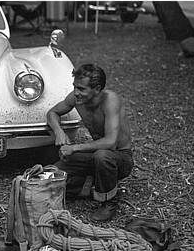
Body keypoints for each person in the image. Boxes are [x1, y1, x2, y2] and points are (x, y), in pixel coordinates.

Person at [46, 63, 134, 222]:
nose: (76, 93)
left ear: (97, 89)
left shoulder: (110, 100)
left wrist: (74, 148)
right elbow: (52, 113)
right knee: (56, 170)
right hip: (96, 155)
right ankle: (87, 186)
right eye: (75, 87)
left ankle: (109, 202)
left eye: (81, 89)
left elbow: (110, 143)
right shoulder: (76, 98)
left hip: (120, 157)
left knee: (102, 156)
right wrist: (59, 131)